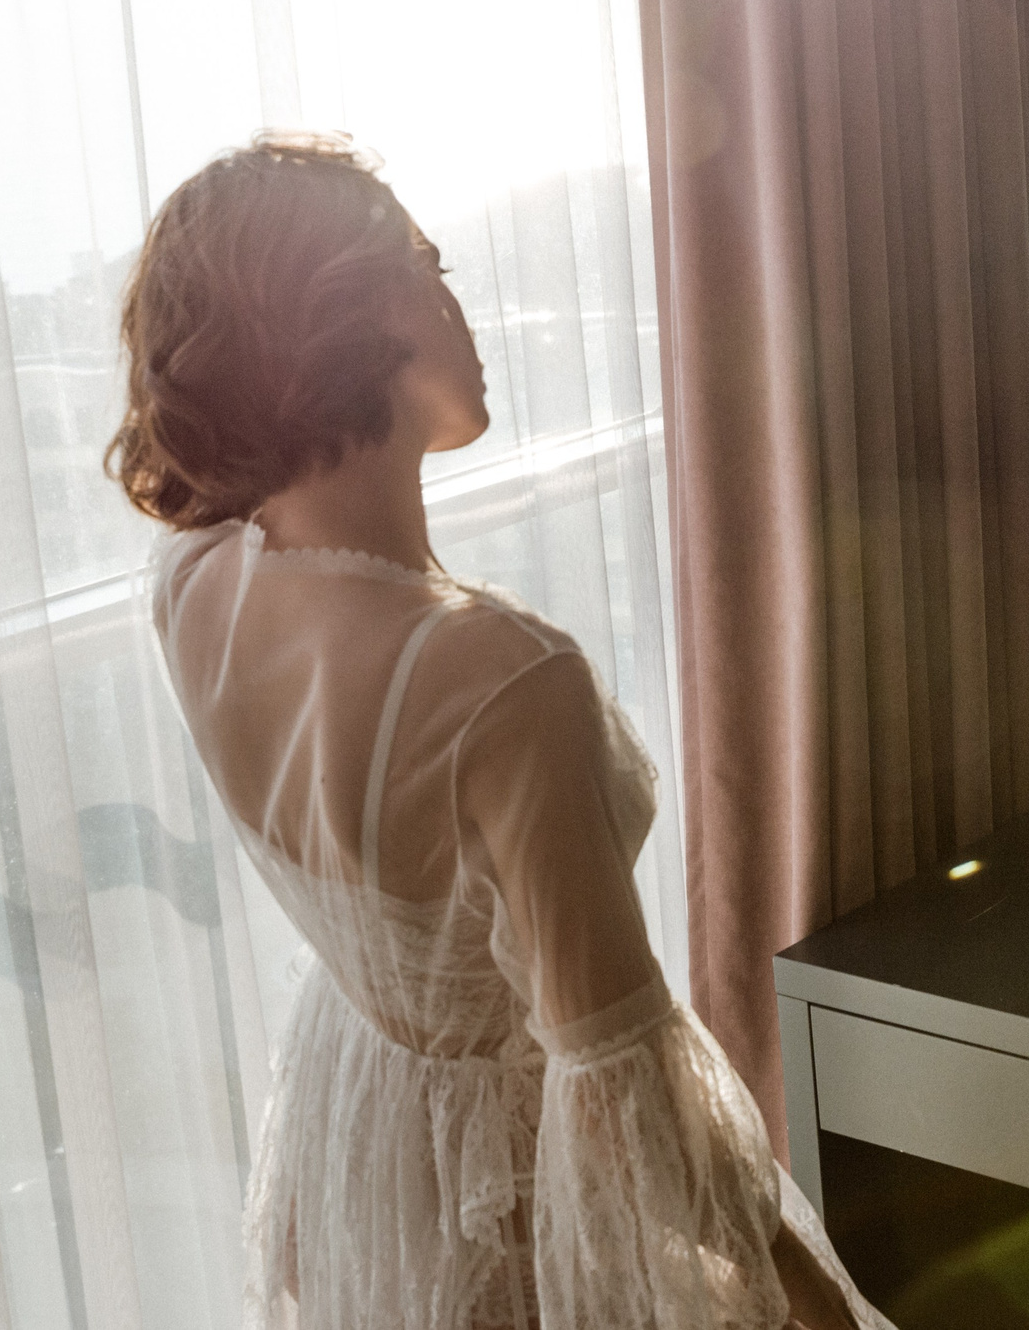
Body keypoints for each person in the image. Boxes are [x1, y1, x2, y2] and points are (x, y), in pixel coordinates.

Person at [110, 134, 888, 1330]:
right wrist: (809, 1305)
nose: (459, 305)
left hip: (368, 1123)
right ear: (348, 317)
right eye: (427, 269)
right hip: (507, 1192)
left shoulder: (191, 584)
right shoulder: (501, 681)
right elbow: (624, 1091)